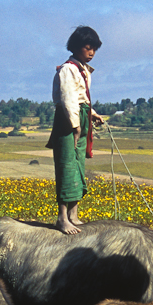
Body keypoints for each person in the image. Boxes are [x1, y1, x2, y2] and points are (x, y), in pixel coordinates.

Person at [46, 25, 104, 234]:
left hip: (81, 115)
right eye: (88, 48)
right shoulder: (68, 69)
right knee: (66, 165)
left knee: (78, 165)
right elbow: (67, 98)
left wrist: (92, 114)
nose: (91, 53)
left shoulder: (83, 70)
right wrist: (75, 125)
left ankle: (74, 214)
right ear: (76, 47)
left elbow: (81, 98)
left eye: (94, 49)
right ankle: (62, 218)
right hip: (68, 119)